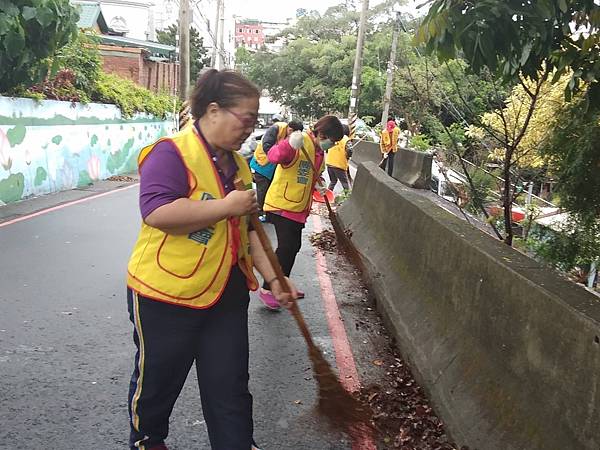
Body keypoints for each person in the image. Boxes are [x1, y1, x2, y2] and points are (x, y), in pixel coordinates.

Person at [125, 69, 298, 450]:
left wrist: (274, 279)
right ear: (214, 110)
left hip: (225, 294)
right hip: (165, 293)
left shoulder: (237, 165)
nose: (250, 130)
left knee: (230, 384)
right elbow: (156, 212)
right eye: (247, 119)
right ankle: (148, 440)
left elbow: (250, 231)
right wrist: (224, 206)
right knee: (159, 380)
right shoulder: (170, 152)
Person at [257, 115, 344, 310]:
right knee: (286, 248)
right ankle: (268, 289)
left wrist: (318, 185)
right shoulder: (299, 141)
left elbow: (311, 174)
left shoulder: (320, 152)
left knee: (292, 247)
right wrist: (288, 145)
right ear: (322, 133)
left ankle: (284, 285)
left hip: (298, 208)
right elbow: (273, 157)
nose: (333, 144)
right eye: (333, 140)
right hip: (282, 205)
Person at [249, 118, 304, 222]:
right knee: (262, 190)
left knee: (270, 189)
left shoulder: (290, 136)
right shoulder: (276, 128)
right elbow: (266, 145)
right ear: (290, 129)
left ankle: (267, 212)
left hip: (273, 166)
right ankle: (260, 213)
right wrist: (278, 156)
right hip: (262, 163)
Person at [325, 124, 352, 192]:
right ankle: (347, 197)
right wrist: (348, 156)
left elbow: (326, 149)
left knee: (333, 181)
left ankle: (328, 196)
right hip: (339, 165)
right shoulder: (346, 139)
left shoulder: (332, 137)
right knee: (345, 183)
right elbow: (349, 150)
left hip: (329, 163)